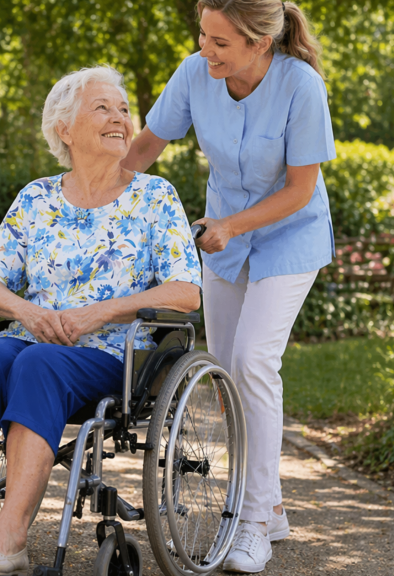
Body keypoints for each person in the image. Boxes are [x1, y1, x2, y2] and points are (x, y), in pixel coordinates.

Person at [0, 65, 202, 575]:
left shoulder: (154, 198)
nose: (121, 118)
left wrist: (97, 312)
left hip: (112, 355)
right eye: (103, 108)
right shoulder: (37, 199)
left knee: (38, 365)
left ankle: (9, 540)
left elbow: (187, 291)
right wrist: (28, 312)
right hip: (31, 338)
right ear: (65, 128)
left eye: (124, 109)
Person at [121, 1, 335, 572]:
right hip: (223, 235)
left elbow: (299, 191)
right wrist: (103, 193)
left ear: (260, 43)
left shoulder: (300, 86)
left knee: (254, 361)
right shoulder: (196, 73)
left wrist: (232, 226)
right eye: (203, 36)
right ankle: (272, 503)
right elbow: (145, 146)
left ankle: (253, 524)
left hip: (288, 238)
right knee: (224, 371)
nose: (206, 50)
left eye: (220, 42)